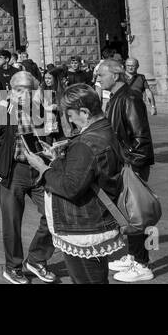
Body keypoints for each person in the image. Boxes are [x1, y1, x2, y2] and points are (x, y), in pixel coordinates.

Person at [24, 84, 125, 284]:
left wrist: (44, 169)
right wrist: (57, 159)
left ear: (85, 112)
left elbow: (71, 187)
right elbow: (88, 171)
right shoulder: (104, 129)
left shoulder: (85, 143)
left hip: (84, 224)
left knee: (86, 278)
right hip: (97, 218)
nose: (69, 120)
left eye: (70, 115)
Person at [0, 71, 58, 283]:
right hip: (13, 172)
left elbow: (51, 136)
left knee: (54, 215)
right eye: (20, 90)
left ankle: (36, 259)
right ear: (12, 90)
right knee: (12, 223)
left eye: (29, 90)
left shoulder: (40, 109)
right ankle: (13, 267)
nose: (25, 94)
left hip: (39, 170)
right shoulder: (1, 111)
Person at [96, 57, 155, 283]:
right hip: (125, 164)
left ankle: (142, 264)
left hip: (133, 165)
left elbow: (141, 137)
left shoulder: (129, 97)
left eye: (102, 75)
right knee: (130, 214)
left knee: (139, 214)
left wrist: (131, 164)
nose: (98, 79)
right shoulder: (117, 97)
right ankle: (133, 255)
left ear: (116, 74)